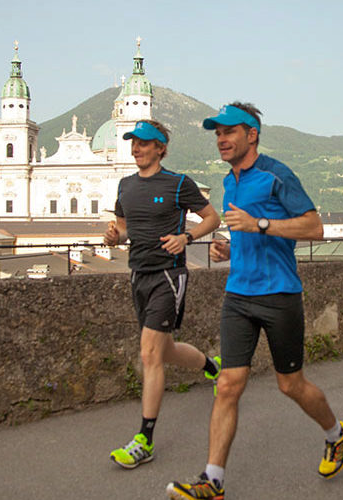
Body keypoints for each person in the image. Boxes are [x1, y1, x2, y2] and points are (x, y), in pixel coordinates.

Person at [167, 103, 343, 500]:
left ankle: (337, 435)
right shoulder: (229, 181)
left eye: (229, 131)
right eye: (217, 133)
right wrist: (229, 250)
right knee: (228, 385)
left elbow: (314, 226)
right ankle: (212, 481)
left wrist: (260, 224)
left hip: (280, 294)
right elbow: (247, 236)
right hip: (238, 295)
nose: (221, 139)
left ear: (251, 134)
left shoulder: (276, 174)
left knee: (291, 385)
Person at [104, 120, 223, 470]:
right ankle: (212, 367)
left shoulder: (177, 184)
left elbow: (211, 217)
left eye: (144, 143)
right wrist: (113, 237)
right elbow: (123, 229)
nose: (136, 148)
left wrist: (186, 237)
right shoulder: (125, 186)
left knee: (150, 354)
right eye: (133, 143)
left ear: (160, 148)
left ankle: (144, 440)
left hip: (168, 276)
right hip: (138, 274)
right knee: (164, 349)